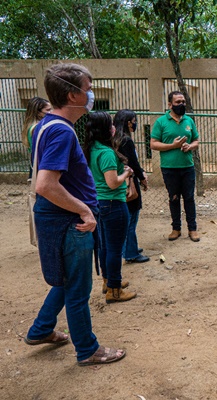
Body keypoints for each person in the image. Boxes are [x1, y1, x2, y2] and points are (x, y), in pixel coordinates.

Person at [26, 63, 125, 366]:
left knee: (68, 281)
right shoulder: (61, 132)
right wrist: (85, 211)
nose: (91, 94)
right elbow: (45, 184)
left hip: (60, 220)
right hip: (71, 223)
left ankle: (41, 329)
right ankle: (88, 349)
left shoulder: (47, 125)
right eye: (87, 88)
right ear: (72, 95)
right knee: (78, 291)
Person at [83, 111, 137, 303]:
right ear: (105, 129)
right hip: (113, 203)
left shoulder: (92, 149)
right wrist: (127, 174)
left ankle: (109, 281)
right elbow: (113, 182)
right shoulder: (106, 153)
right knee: (114, 248)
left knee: (105, 246)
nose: (114, 127)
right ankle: (114, 290)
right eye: (110, 124)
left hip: (100, 203)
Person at [150, 91, 200, 242]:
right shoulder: (161, 122)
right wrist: (173, 145)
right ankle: (176, 228)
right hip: (169, 168)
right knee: (174, 198)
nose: (182, 105)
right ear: (170, 104)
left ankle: (192, 229)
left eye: (183, 102)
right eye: (178, 102)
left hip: (187, 167)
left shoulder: (189, 121)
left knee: (189, 198)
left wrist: (190, 146)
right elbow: (153, 144)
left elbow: (197, 141)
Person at [114, 109, 150, 263]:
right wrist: (142, 177)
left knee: (126, 217)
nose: (135, 124)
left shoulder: (114, 138)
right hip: (129, 180)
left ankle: (129, 246)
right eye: (134, 121)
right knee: (132, 217)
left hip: (121, 181)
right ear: (128, 122)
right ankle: (131, 252)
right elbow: (133, 163)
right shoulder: (126, 140)